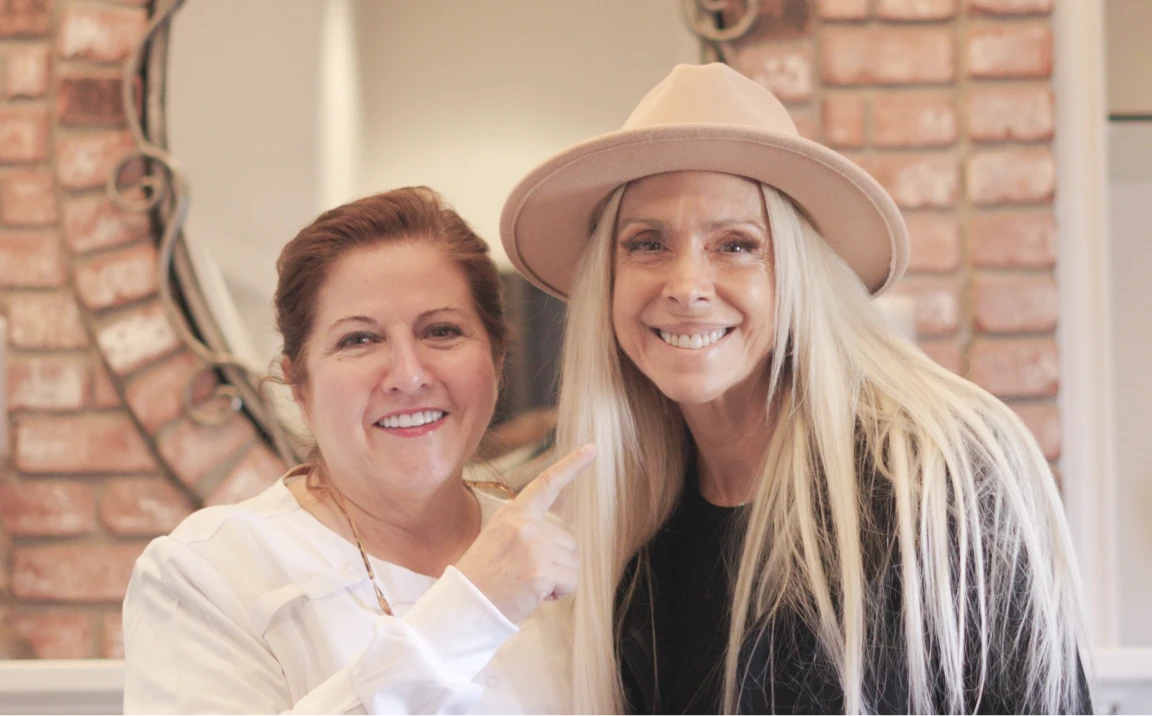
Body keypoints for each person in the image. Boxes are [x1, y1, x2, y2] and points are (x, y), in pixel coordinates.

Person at [500, 64, 1092, 716]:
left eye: (735, 244)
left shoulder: (935, 473)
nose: (687, 285)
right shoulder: (632, 547)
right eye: (647, 243)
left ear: (797, 277)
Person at [123, 187, 592, 714]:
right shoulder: (206, 572)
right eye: (359, 340)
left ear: (496, 359)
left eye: (441, 331)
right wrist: (470, 612)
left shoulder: (572, 553)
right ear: (299, 386)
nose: (409, 376)